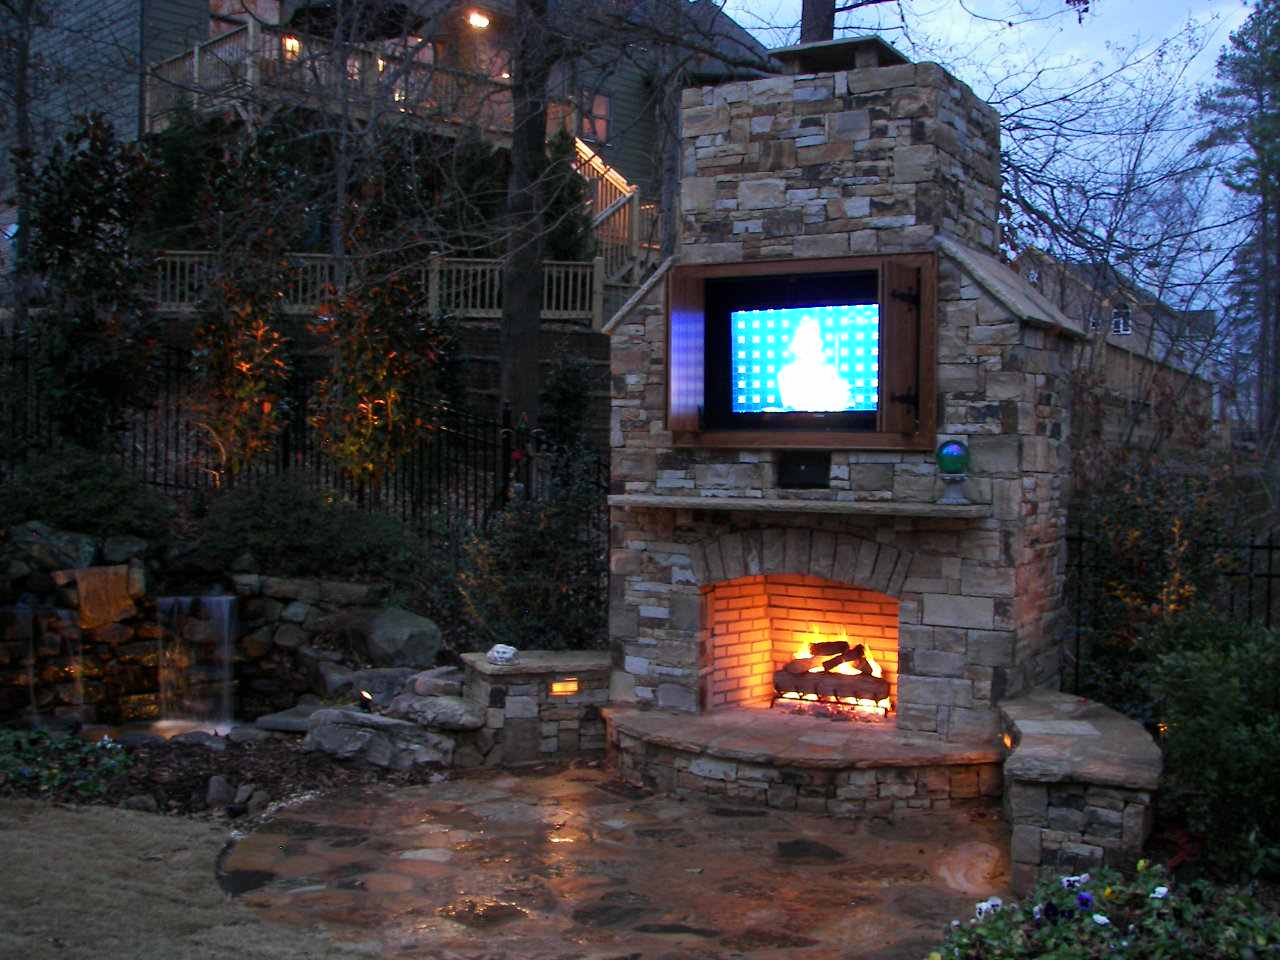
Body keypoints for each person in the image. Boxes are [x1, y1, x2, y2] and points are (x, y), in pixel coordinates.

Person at [777, 317, 852, 411]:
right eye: (806, 338)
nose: (815, 342)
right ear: (793, 344)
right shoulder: (786, 374)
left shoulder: (832, 372)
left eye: (816, 336)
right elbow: (796, 407)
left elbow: (845, 406)